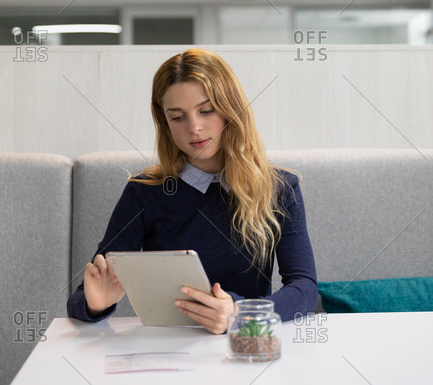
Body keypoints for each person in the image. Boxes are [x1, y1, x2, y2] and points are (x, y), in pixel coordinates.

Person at [67, 48, 317, 334]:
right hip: (167, 351)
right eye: (177, 117)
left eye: (206, 111)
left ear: (230, 110)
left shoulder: (280, 189)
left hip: (241, 345)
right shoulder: (143, 193)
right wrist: (96, 303)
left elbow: (304, 289)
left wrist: (239, 313)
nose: (194, 128)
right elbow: (79, 299)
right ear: (165, 123)